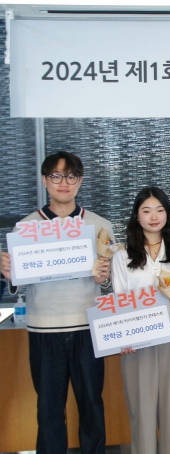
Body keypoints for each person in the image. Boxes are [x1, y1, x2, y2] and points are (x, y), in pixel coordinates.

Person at [0, 151, 112, 454]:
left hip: (88, 328)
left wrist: (104, 277)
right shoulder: (25, 229)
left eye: (71, 176)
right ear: (44, 180)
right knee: (49, 411)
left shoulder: (100, 225)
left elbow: (111, 282)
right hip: (44, 330)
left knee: (92, 406)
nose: (64, 182)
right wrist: (8, 273)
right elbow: (16, 283)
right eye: (56, 176)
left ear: (80, 181)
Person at [111, 187, 170, 454]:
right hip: (137, 341)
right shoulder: (122, 255)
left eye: (159, 210)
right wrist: (122, 337)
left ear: (167, 214)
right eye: (146, 211)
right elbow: (119, 298)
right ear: (137, 215)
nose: (153, 216)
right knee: (141, 413)